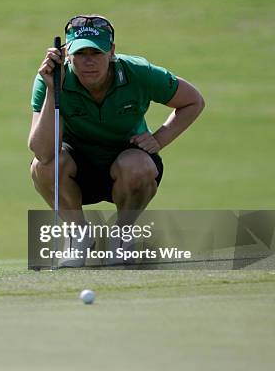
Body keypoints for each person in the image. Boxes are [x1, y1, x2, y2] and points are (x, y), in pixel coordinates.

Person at [27, 15, 205, 267]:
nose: (89, 61)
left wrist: (159, 139)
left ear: (111, 51)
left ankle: (120, 236)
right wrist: (53, 91)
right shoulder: (51, 78)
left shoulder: (139, 72)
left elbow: (193, 101)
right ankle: (78, 237)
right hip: (78, 168)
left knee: (139, 166)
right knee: (43, 167)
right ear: (66, 54)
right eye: (80, 53)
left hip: (126, 165)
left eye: (96, 52)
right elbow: (43, 152)